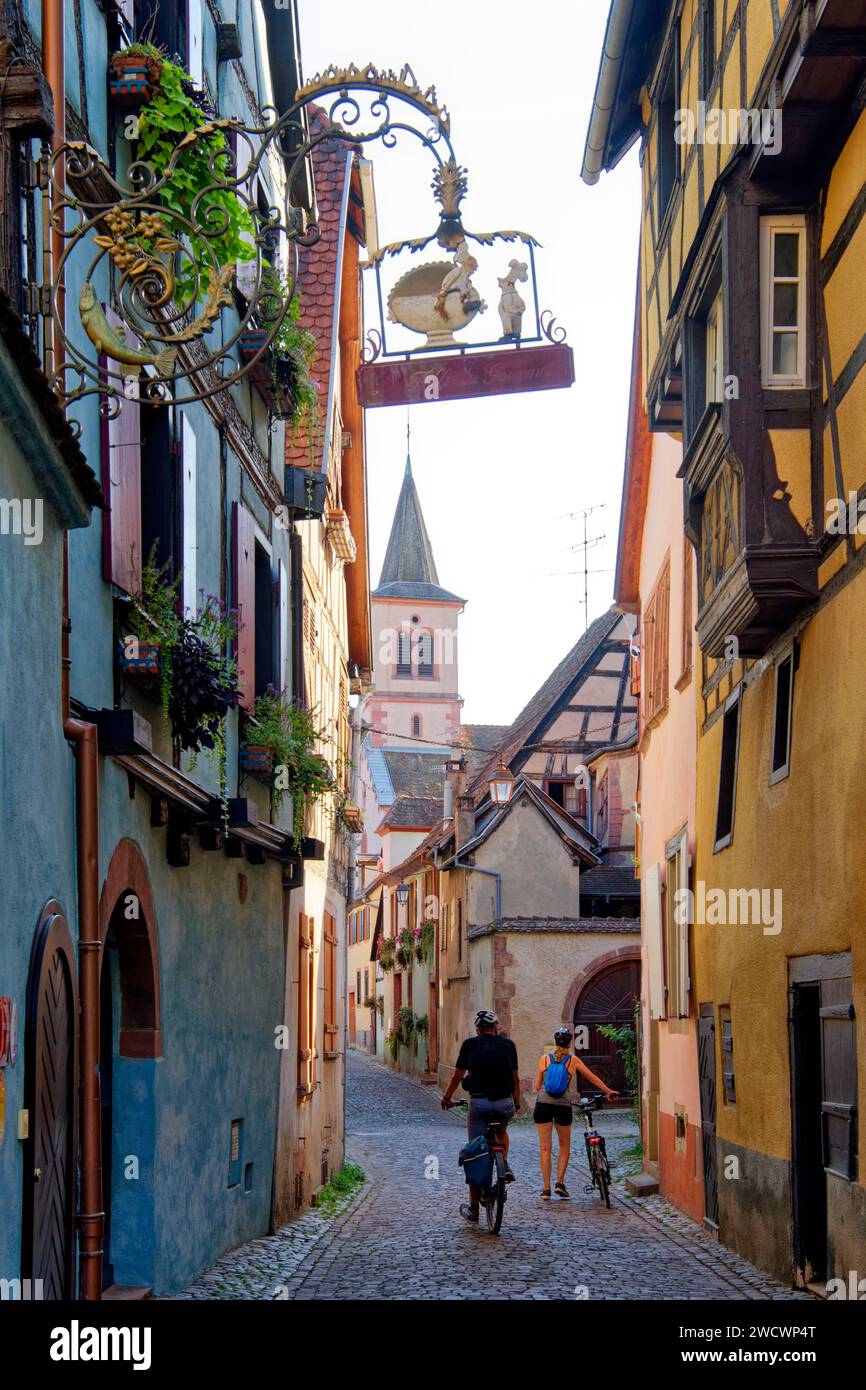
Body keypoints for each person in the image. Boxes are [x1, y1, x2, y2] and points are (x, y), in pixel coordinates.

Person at [441, 1009, 520, 1225]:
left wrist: (447, 1098)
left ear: (477, 1029)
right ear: (496, 1028)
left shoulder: (469, 1045)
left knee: (475, 1152)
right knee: (502, 1130)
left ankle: (474, 1210)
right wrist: (517, 1101)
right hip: (504, 1104)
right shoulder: (509, 1045)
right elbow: (516, 1078)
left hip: (479, 1104)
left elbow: (457, 1076)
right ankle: (504, 1163)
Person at [533, 1026, 618, 1200]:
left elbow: (536, 1086)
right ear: (570, 1043)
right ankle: (560, 1183)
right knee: (564, 1146)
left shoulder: (544, 1059)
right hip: (563, 1105)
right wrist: (608, 1091)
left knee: (545, 1148)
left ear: (555, 1043)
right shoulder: (573, 1060)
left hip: (543, 1105)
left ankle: (546, 1189)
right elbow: (592, 1078)